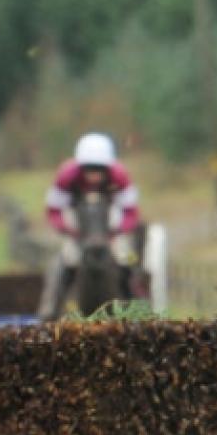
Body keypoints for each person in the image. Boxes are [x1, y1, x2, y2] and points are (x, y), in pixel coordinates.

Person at [45, 132, 142, 309]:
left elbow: (130, 212)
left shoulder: (120, 176)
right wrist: (68, 230)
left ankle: (136, 302)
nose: (94, 175)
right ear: (81, 168)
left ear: (107, 169)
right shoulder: (66, 175)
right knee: (67, 258)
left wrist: (118, 231)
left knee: (126, 257)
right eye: (90, 170)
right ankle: (51, 308)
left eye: (99, 170)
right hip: (77, 225)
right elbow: (54, 210)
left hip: (110, 225)